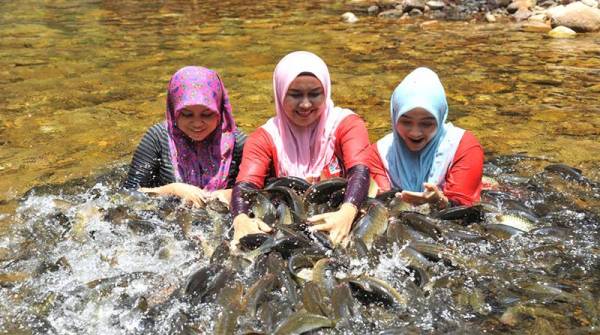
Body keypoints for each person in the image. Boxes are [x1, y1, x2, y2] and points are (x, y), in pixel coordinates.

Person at [231, 51, 371, 245]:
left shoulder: (347, 124)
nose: (305, 104)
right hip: (288, 225)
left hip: (341, 213)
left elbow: (361, 170)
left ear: (327, 92)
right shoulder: (265, 137)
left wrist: (347, 213)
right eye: (295, 95)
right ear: (280, 94)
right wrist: (241, 219)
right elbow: (246, 186)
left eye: (314, 94)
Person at [123, 66, 246, 206]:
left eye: (207, 114)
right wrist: (172, 190)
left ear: (219, 110)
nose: (197, 123)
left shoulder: (237, 142)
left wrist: (232, 194)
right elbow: (128, 193)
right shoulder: (157, 138)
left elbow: (264, 192)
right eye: (187, 114)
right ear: (173, 111)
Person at [368, 67, 484, 208]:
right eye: (406, 122)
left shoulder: (463, 147)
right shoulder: (379, 154)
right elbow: (379, 208)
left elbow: (467, 210)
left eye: (426, 123)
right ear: (394, 117)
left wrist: (439, 201)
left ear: (441, 118)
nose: (415, 133)